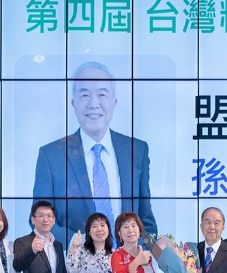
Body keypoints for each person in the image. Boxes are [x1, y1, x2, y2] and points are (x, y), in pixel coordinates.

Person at [32, 61, 157, 247]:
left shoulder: (137, 150)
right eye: (84, 95)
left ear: (114, 102)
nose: (94, 104)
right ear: (73, 103)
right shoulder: (52, 156)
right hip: (76, 263)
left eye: (102, 94)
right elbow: (39, 222)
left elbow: (146, 222)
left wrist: (139, 252)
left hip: (130, 263)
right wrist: (80, 245)